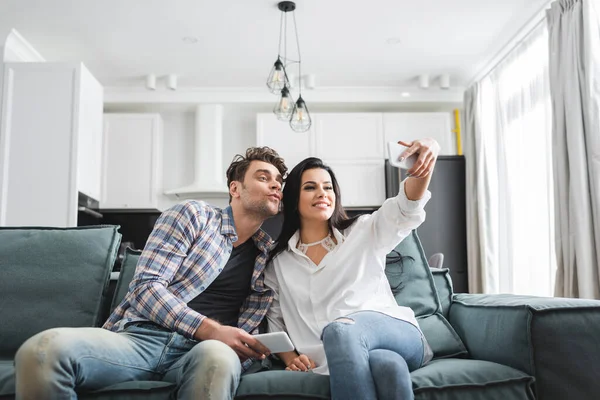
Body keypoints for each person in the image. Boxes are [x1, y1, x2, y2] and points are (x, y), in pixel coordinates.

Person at [15, 147, 288, 400]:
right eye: (264, 177)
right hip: (142, 339)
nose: (276, 184)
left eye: (279, 180)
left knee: (218, 356)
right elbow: (146, 288)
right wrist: (212, 329)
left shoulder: (271, 254)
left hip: (204, 351)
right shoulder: (193, 215)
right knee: (42, 350)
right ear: (235, 188)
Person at [264, 138, 439, 400]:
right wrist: (291, 357)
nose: (322, 193)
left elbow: (405, 208)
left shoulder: (364, 230)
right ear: (293, 200)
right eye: (310, 187)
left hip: (397, 334)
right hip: (334, 357)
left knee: (338, 330)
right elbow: (274, 320)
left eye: (328, 187)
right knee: (387, 367)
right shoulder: (279, 264)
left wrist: (427, 160)